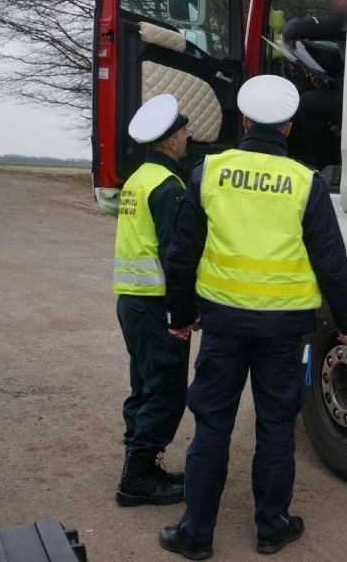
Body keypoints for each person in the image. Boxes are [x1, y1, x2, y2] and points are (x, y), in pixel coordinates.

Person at [158, 75, 347, 560]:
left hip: (223, 324)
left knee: (213, 427)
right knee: (275, 427)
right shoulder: (305, 182)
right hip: (285, 330)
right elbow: (332, 260)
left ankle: (196, 534)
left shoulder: (209, 171)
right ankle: (271, 528)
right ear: (288, 128)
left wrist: (180, 316)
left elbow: (181, 253)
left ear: (244, 121)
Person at [113, 94, 192, 507]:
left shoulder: (137, 179)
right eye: (184, 130)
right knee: (165, 390)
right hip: (156, 305)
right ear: (172, 141)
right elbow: (173, 256)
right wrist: (184, 313)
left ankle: (140, 464)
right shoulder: (168, 187)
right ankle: (138, 479)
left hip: (132, 303)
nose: (188, 135)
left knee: (143, 387)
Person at [281, 0, 347, 170]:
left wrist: (287, 32)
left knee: (308, 104)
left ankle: (326, 168)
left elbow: (296, 27)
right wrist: (330, 82)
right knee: (316, 95)